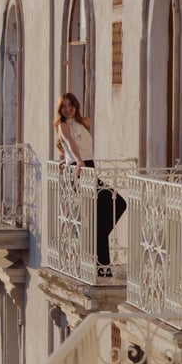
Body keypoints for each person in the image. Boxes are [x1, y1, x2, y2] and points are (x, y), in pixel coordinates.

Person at [54, 93, 126, 277]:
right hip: (81, 170)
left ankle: (101, 263)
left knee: (104, 214)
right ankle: (99, 255)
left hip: (86, 167)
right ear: (60, 110)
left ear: (76, 106)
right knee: (118, 203)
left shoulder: (82, 124)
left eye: (70, 105)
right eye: (64, 106)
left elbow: (77, 145)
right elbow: (69, 143)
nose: (68, 109)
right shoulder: (63, 126)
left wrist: (66, 160)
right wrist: (76, 161)